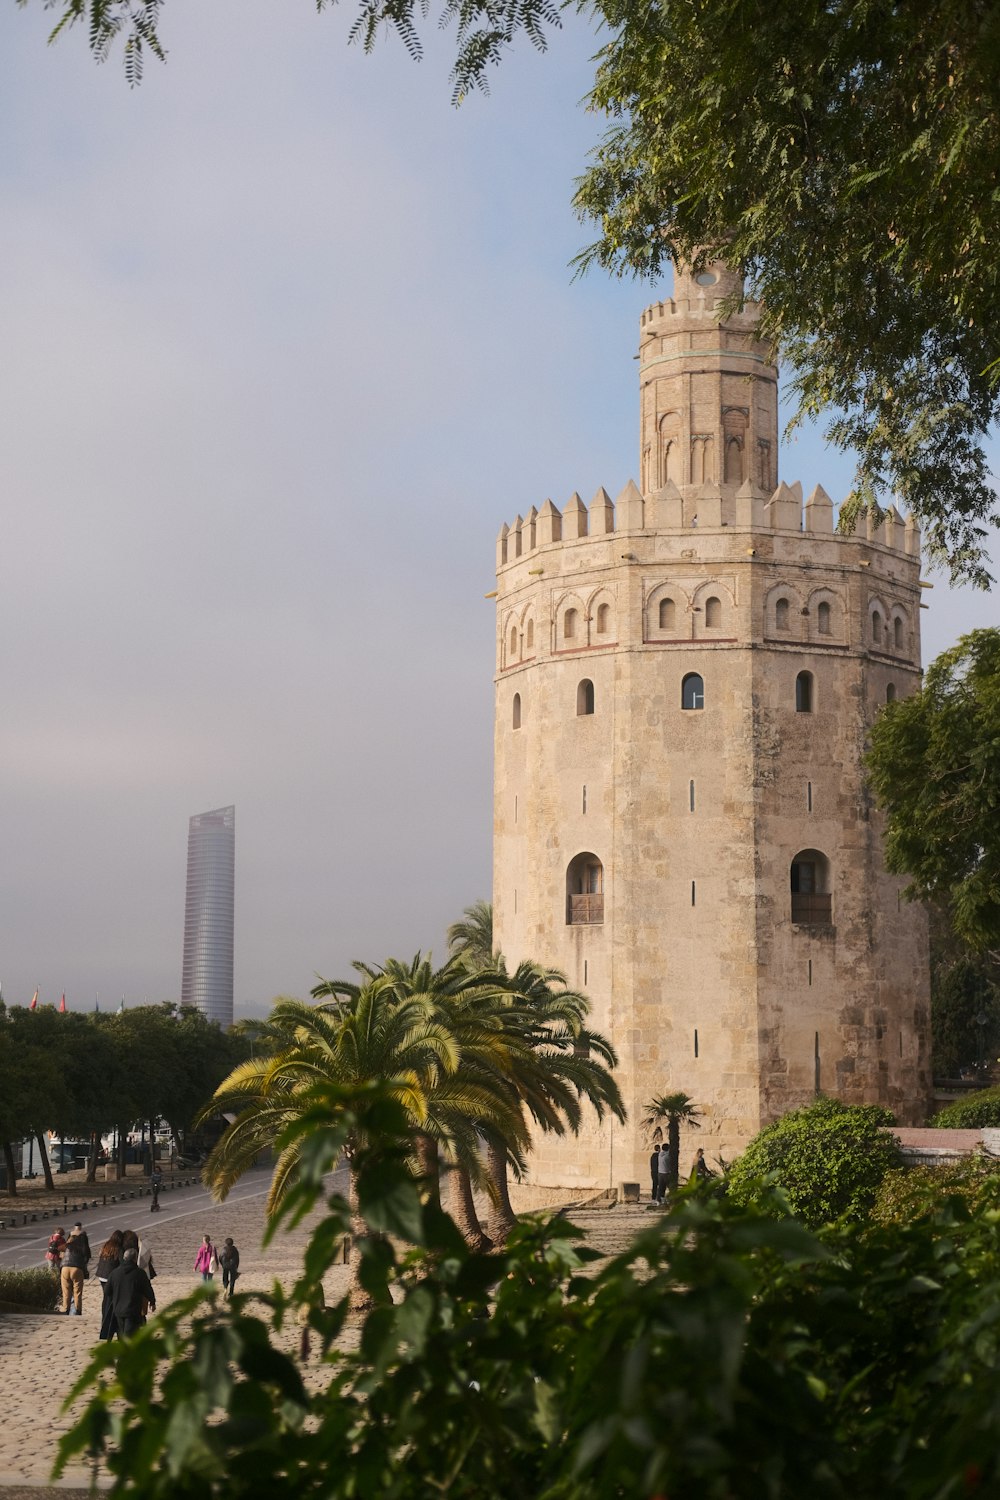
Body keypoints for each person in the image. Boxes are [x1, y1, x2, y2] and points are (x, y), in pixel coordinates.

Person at [107, 1247, 155, 1337]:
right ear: (135, 1259)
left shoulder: (115, 1273)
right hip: (133, 1310)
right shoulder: (139, 1273)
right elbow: (147, 1289)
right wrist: (152, 1302)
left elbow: (107, 1291)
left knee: (121, 1334)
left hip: (118, 1310)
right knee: (130, 1335)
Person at [96, 1230, 125, 1340]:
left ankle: (106, 1320)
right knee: (113, 1300)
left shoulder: (106, 1245)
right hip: (110, 1277)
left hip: (101, 1276)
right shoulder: (118, 1248)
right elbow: (122, 1263)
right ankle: (112, 1323)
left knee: (106, 1297)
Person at [60, 1227, 89, 1315]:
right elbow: (85, 1259)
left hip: (65, 1268)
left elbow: (59, 1251)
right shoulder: (81, 1248)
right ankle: (78, 1310)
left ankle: (66, 1309)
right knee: (77, 1292)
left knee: (66, 1291)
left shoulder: (66, 1246)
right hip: (77, 1269)